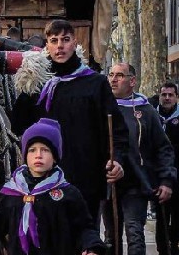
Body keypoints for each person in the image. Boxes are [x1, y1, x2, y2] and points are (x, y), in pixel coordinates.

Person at [11, 19, 128, 226]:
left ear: (75, 42)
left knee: (82, 247)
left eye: (65, 40)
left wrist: (117, 159)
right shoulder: (36, 82)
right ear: (47, 44)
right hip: (43, 179)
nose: (60, 46)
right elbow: (17, 127)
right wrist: (25, 82)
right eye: (54, 40)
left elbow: (117, 129)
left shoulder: (95, 83)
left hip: (86, 179)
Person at [0, 118, 106, 255]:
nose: (38, 155)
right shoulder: (13, 193)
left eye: (45, 150)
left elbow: (84, 227)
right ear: (25, 156)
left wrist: (92, 247)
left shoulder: (68, 194)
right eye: (32, 150)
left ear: (55, 157)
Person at [102, 63, 176, 255]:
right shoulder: (101, 108)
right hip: (109, 184)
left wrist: (166, 180)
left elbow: (163, 148)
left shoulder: (146, 111)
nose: (113, 79)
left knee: (134, 234)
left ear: (132, 81)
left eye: (119, 75)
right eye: (111, 75)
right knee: (110, 237)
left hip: (137, 182)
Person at [155, 82, 179, 255]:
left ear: (176, 97)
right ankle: (163, 254)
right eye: (164, 94)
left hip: (178, 175)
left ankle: (174, 244)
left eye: (170, 95)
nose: (167, 98)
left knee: (178, 217)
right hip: (159, 175)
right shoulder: (152, 116)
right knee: (161, 217)